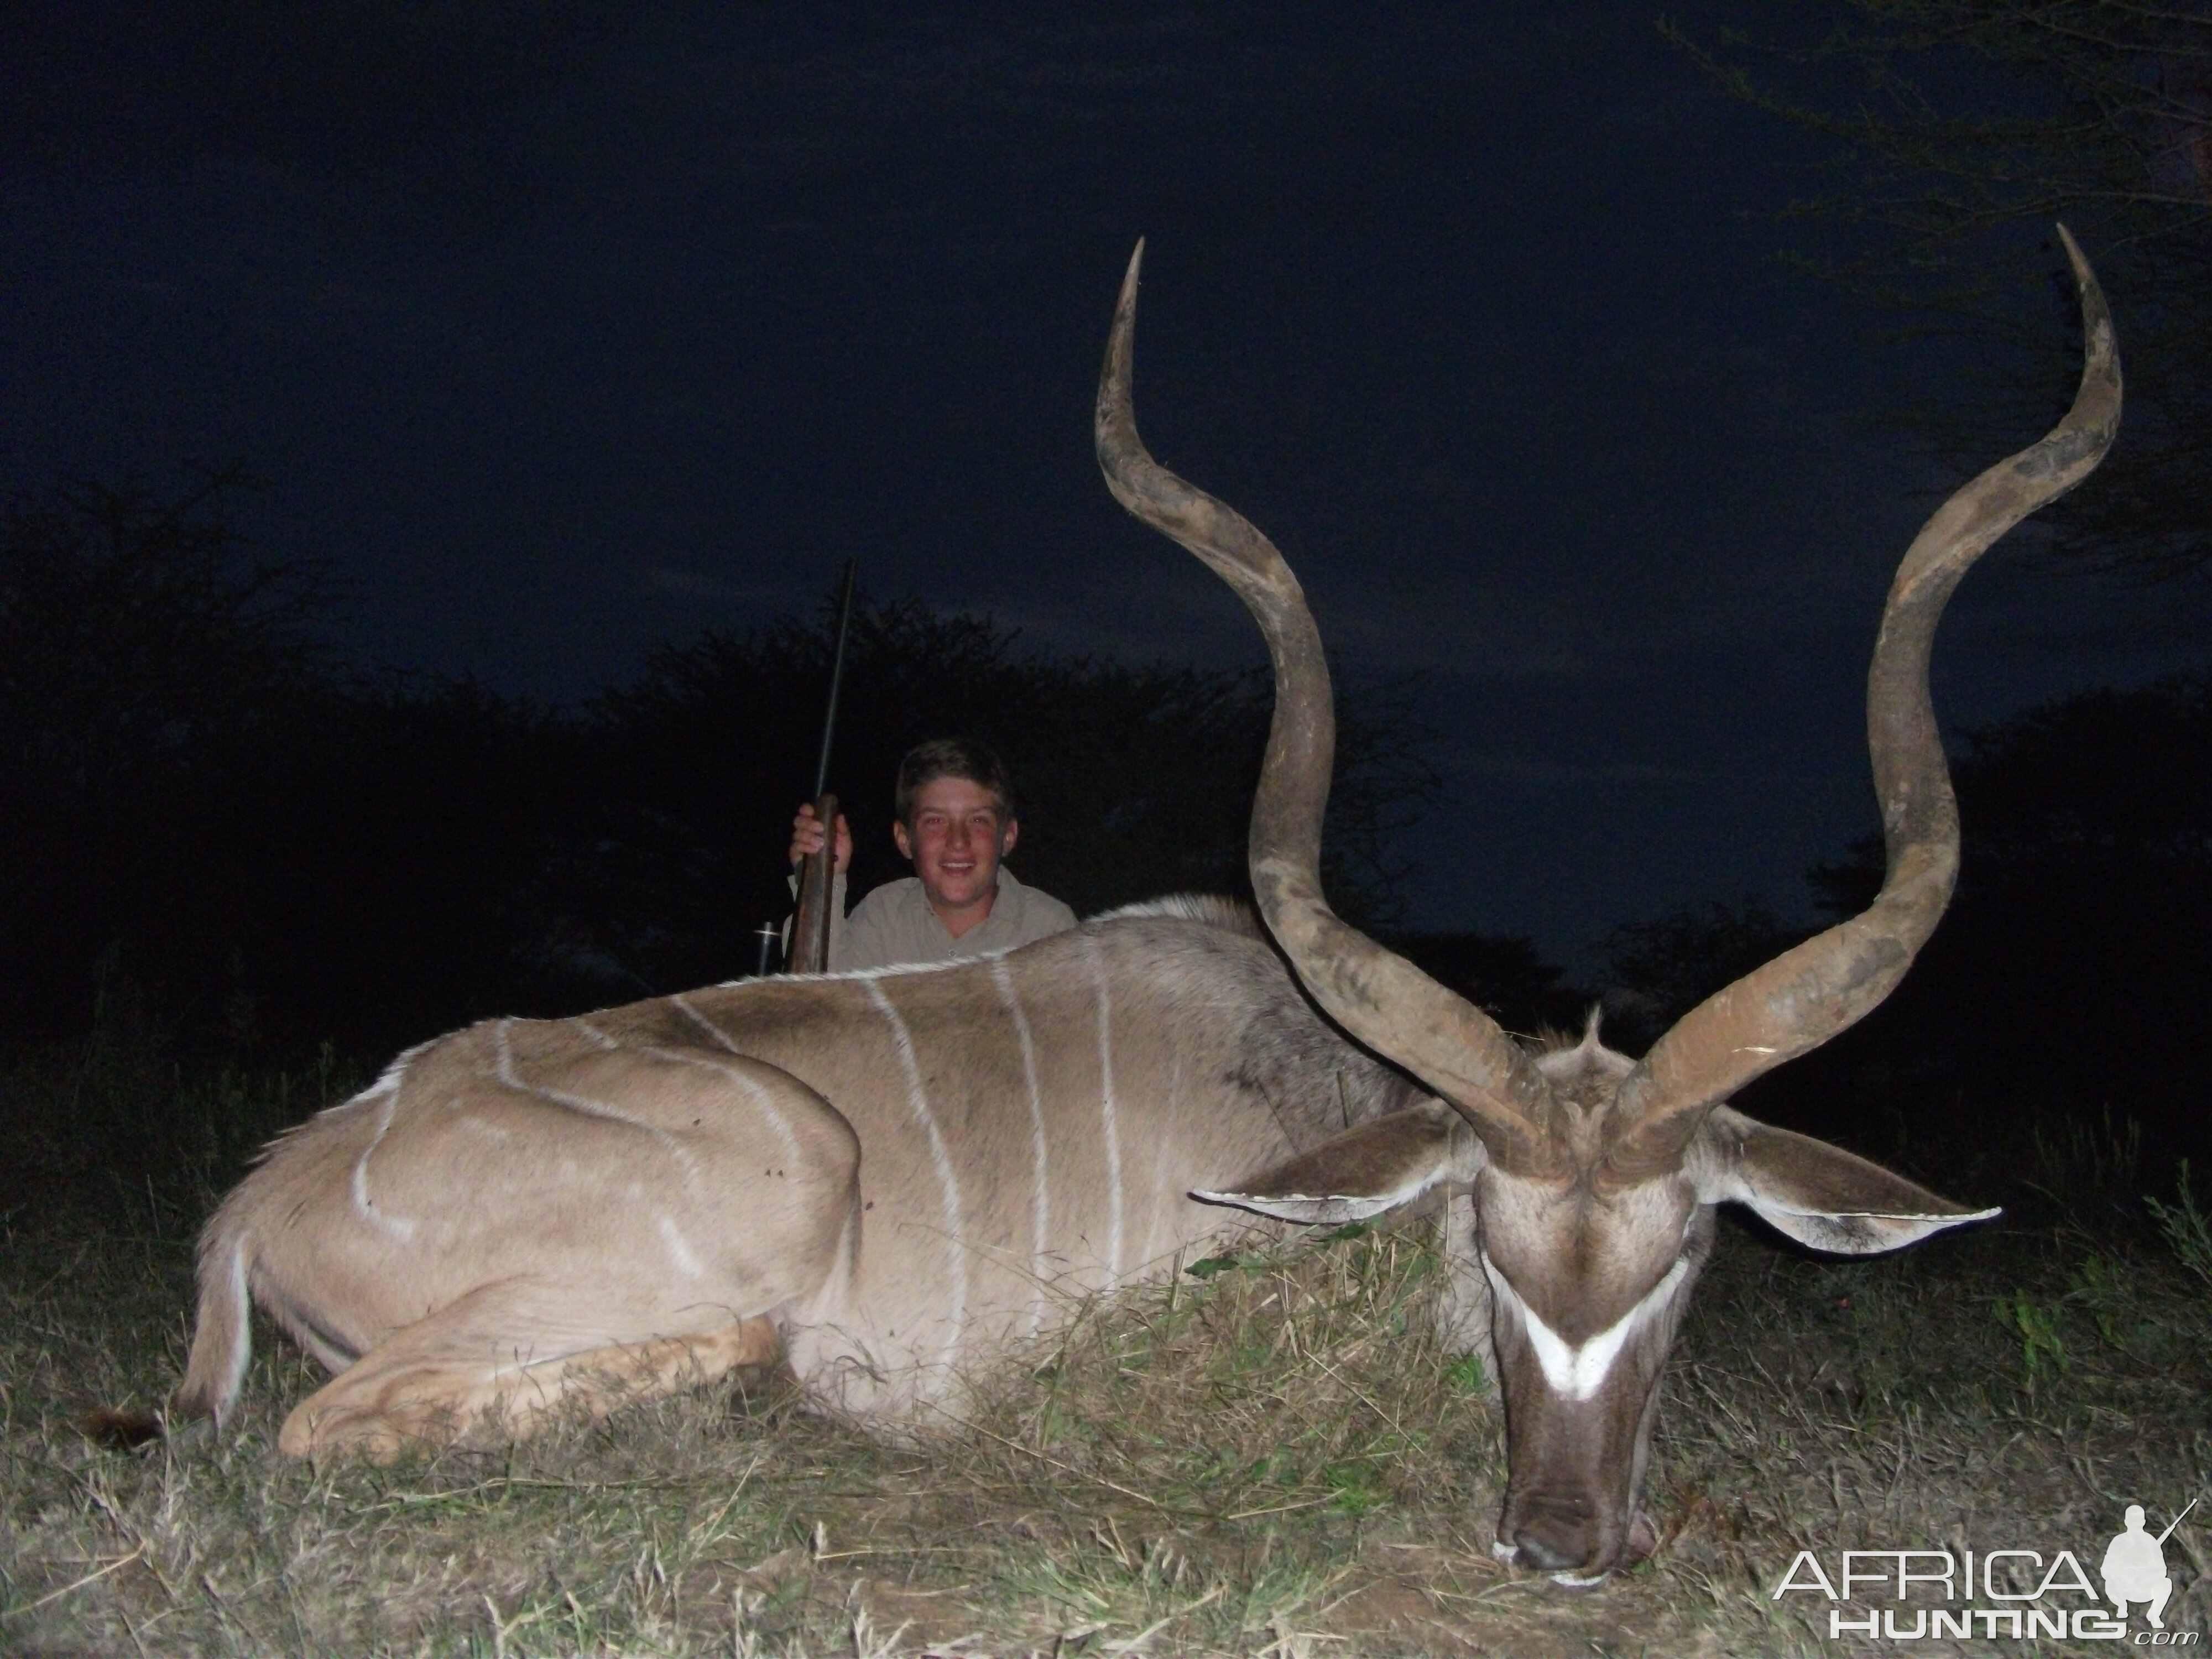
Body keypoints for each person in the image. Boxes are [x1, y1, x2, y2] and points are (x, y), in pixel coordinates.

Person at [788, 737, 1076, 971]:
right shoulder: (884, 915)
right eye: (935, 821)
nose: (958, 841)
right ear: (904, 839)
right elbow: (817, 995)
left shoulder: (1051, 930)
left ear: (1008, 837)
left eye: (978, 820)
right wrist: (821, 878)